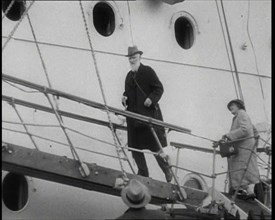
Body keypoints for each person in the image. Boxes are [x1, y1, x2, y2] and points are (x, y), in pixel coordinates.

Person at [122, 45, 172, 182]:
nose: (132, 60)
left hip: (147, 116)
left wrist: (151, 98)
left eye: (134, 57)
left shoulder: (148, 71)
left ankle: (166, 169)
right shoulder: (129, 76)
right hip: (133, 118)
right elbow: (127, 93)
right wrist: (124, 97)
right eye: (130, 58)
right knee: (134, 147)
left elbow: (159, 88)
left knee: (155, 145)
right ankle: (143, 172)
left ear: (139, 57)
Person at [222, 99, 260, 199]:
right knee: (246, 169)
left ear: (238, 105)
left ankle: (246, 190)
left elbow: (245, 129)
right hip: (246, 146)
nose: (230, 108)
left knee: (242, 168)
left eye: (232, 106)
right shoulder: (242, 115)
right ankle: (249, 191)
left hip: (244, 148)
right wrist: (254, 143)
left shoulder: (242, 114)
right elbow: (255, 131)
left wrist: (228, 135)